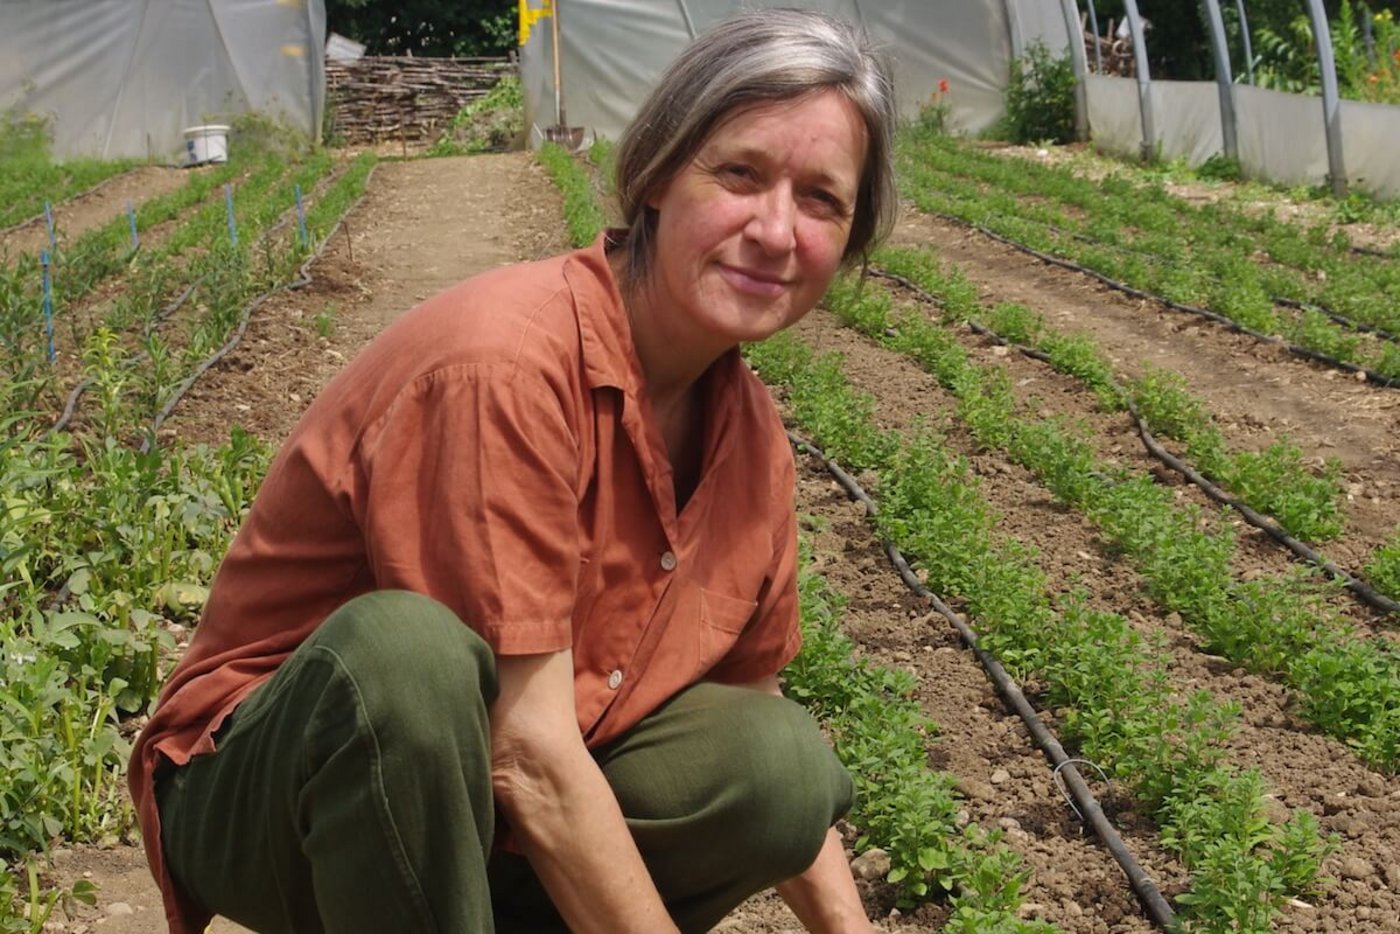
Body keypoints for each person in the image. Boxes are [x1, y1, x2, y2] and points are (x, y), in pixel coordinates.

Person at [130, 8, 898, 933]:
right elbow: (523, 753)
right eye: (739, 173)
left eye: (822, 199)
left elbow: (751, 715)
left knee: (780, 765)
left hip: (488, 808)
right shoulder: (506, 366)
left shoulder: (750, 438)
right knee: (403, 660)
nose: (776, 231)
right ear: (657, 176)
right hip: (280, 786)